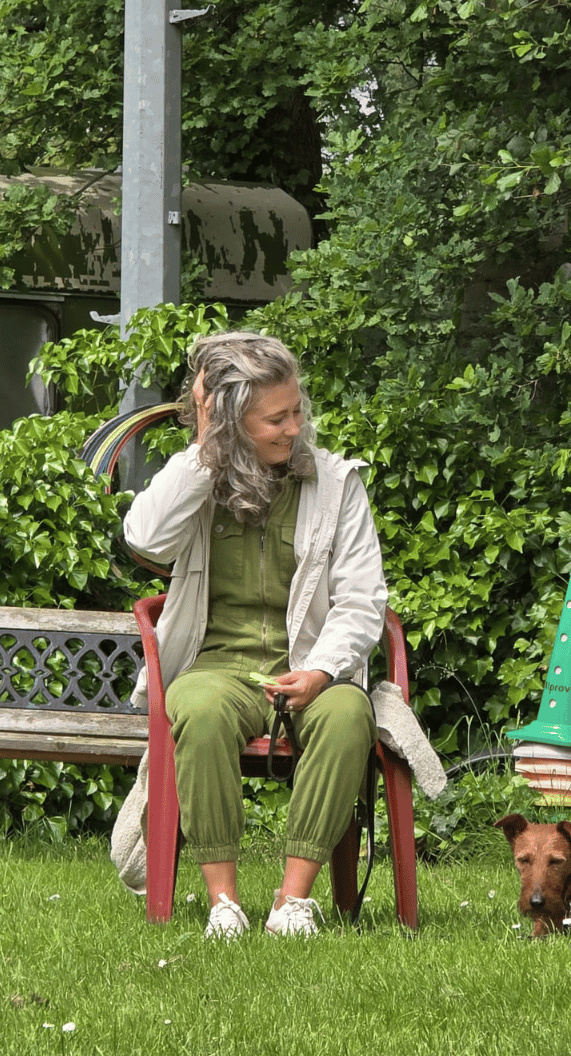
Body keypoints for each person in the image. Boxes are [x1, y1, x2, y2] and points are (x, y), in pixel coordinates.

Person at [123, 331, 386, 938]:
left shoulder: (337, 483)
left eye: (297, 410)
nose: (295, 427)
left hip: (310, 666)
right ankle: (224, 904)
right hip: (216, 667)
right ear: (233, 419)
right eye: (276, 418)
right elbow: (145, 539)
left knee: (349, 713)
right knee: (202, 710)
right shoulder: (198, 477)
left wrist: (322, 671)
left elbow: (362, 599)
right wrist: (203, 443)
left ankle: (292, 902)